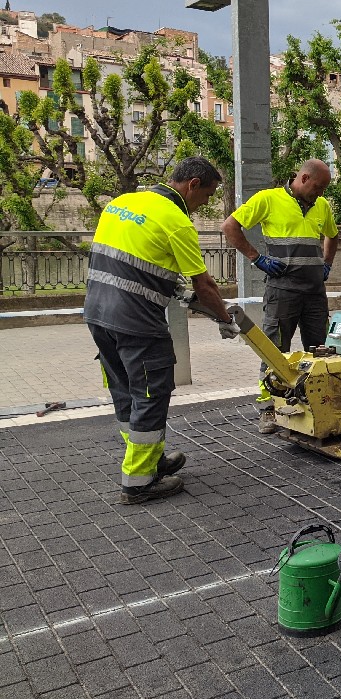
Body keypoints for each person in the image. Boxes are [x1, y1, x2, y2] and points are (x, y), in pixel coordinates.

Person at [84, 157, 236, 504]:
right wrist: (225, 320)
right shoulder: (177, 221)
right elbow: (205, 285)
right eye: (208, 195)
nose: (205, 204)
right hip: (137, 324)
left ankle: (150, 461)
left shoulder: (121, 204)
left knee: (125, 392)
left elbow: (133, 264)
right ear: (193, 184)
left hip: (97, 315)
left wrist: (170, 288)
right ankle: (138, 483)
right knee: (151, 396)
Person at [221, 159, 339, 432]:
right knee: (274, 351)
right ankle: (268, 409)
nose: (320, 193)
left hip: (314, 293)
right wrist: (257, 258)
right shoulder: (268, 199)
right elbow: (230, 227)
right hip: (282, 290)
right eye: (318, 187)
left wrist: (327, 264)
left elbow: (332, 235)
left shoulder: (322, 206)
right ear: (304, 178)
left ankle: (317, 404)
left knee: (320, 350)